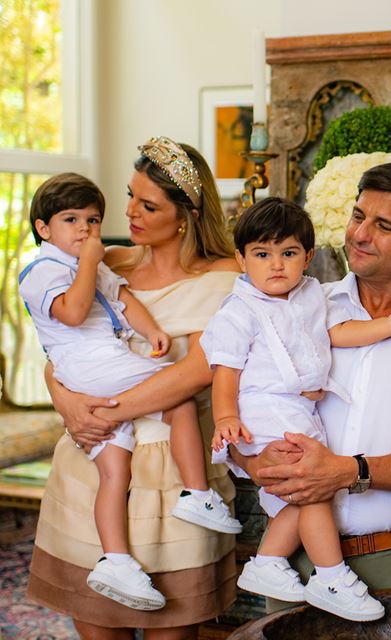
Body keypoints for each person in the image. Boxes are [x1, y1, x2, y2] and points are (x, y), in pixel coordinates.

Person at [230, 162, 391, 607]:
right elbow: (236, 403)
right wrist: (256, 465)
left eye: (382, 225)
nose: (359, 234)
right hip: (291, 560)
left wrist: (351, 471)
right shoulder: (291, 308)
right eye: (357, 216)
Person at [28, 136, 241, 639]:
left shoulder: (228, 279)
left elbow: (196, 372)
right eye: (129, 197)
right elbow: (59, 351)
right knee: (95, 624)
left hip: (175, 475)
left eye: (148, 205)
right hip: (92, 463)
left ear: (187, 213)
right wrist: (69, 406)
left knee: (174, 627)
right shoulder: (109, 264)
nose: (128, 213)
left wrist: (101, 412)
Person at [204, 197, 391, 621]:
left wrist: (389, 326)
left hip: (300, 413)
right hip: (265, 409)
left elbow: (337, 333)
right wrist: (226, 417)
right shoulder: (238, 311)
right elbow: (224, 372)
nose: (276, 265)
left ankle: (267, 560)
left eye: (288, 253)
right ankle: (331, 574)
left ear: (308, 256)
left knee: (301, 495)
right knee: (313, 485)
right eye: (262, 255)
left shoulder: (309, 296)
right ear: (240, 259)